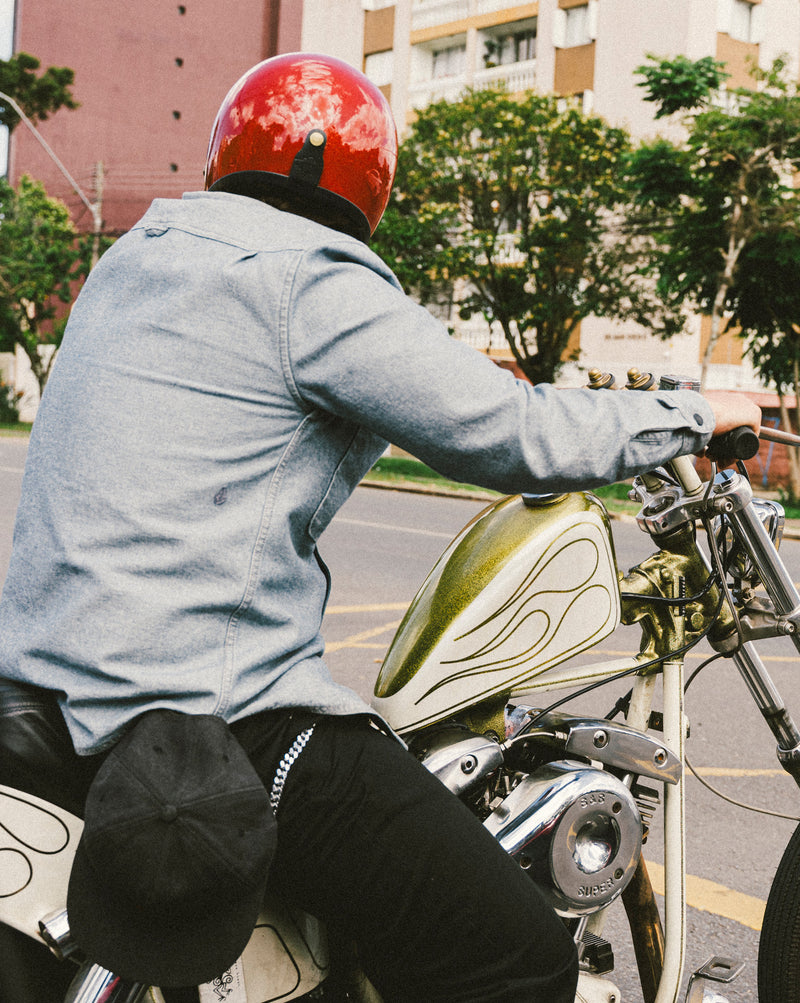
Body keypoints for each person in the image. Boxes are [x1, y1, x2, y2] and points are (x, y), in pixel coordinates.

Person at [0, 53, 760, 1001]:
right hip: (221, 714)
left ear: (225, 152)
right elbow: (511, 431)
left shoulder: (135, 260)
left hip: (44, 685)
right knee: (514, 952)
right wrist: (691, 413)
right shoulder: (308, 279)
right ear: (369, 186)